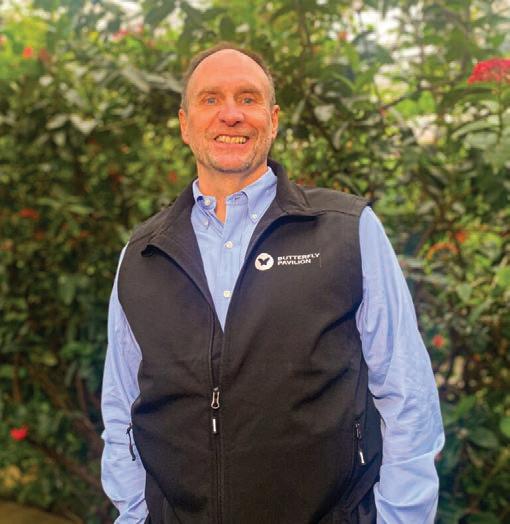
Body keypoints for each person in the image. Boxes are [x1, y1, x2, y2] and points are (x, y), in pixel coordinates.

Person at [100, 43, 444, 523]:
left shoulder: (346, 231)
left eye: (248, 98)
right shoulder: (142, 255)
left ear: (274, 119)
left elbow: (408, 396)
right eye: (210, 99)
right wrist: (136, 516)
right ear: (184, 124)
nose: (231, 114)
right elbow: (121, 408)